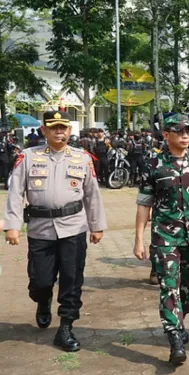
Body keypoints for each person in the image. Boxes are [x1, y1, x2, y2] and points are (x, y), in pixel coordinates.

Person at [4, 111, 107, 352]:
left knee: (72, 279)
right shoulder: (27, 157)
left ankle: (66, 327)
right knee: (40, 281)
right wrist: (12, 225)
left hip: (74, 227)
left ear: (69, 131)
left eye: (63, 127)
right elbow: (15, 193)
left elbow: (92, 193)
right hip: (40, 229)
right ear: (44, 131)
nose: (59, 131)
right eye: (53, 128)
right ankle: (42, 300)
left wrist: (97, 225)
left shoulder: (81, 158)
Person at [133, 114, 189, 364]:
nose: (185, 135)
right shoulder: (154, 164)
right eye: (179, 130)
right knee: (168, 285)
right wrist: (139, 239)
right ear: (166, 135)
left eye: (188, 131)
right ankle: (174, 337)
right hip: (164, 236)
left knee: (186, 284)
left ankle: (182, 311)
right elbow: (144, 203)